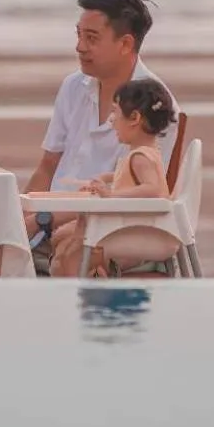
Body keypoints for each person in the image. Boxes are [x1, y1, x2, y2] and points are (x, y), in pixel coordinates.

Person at [23, 0, 180, 274]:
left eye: (91, 38)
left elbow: (142, 196)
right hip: (49, 224)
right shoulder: (73, 86)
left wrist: (44, 220)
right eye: (78, 35)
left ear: (125, 44)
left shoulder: (154, 108)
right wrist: (20, 220)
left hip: (106, 229)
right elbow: (47, 166)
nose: (79, 47)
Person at [48, 78, 176, 277]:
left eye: (115, 112)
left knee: (70, 254)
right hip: (125, 226)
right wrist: (105, 178)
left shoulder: (141, 157)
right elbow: (127, 176)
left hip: (132, 231)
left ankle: (84, 284)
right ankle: (91, 274)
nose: (112, 120)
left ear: (134, 118)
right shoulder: (140, 154)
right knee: (61, 238)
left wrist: (111, 195)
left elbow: (152, 189)